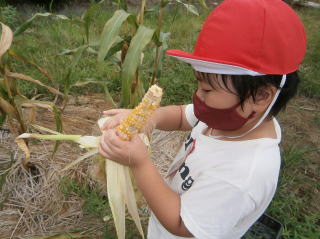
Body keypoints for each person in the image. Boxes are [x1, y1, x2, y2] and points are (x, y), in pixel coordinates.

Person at [99, 0, 306, 238]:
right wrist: (149, 118)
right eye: (199, 84)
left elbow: (181, 223)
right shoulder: (232, 118)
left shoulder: (242, 175)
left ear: (260, 96)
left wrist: (140, 164)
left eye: (207, 90)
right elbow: (180, 117)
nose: (198, 96)